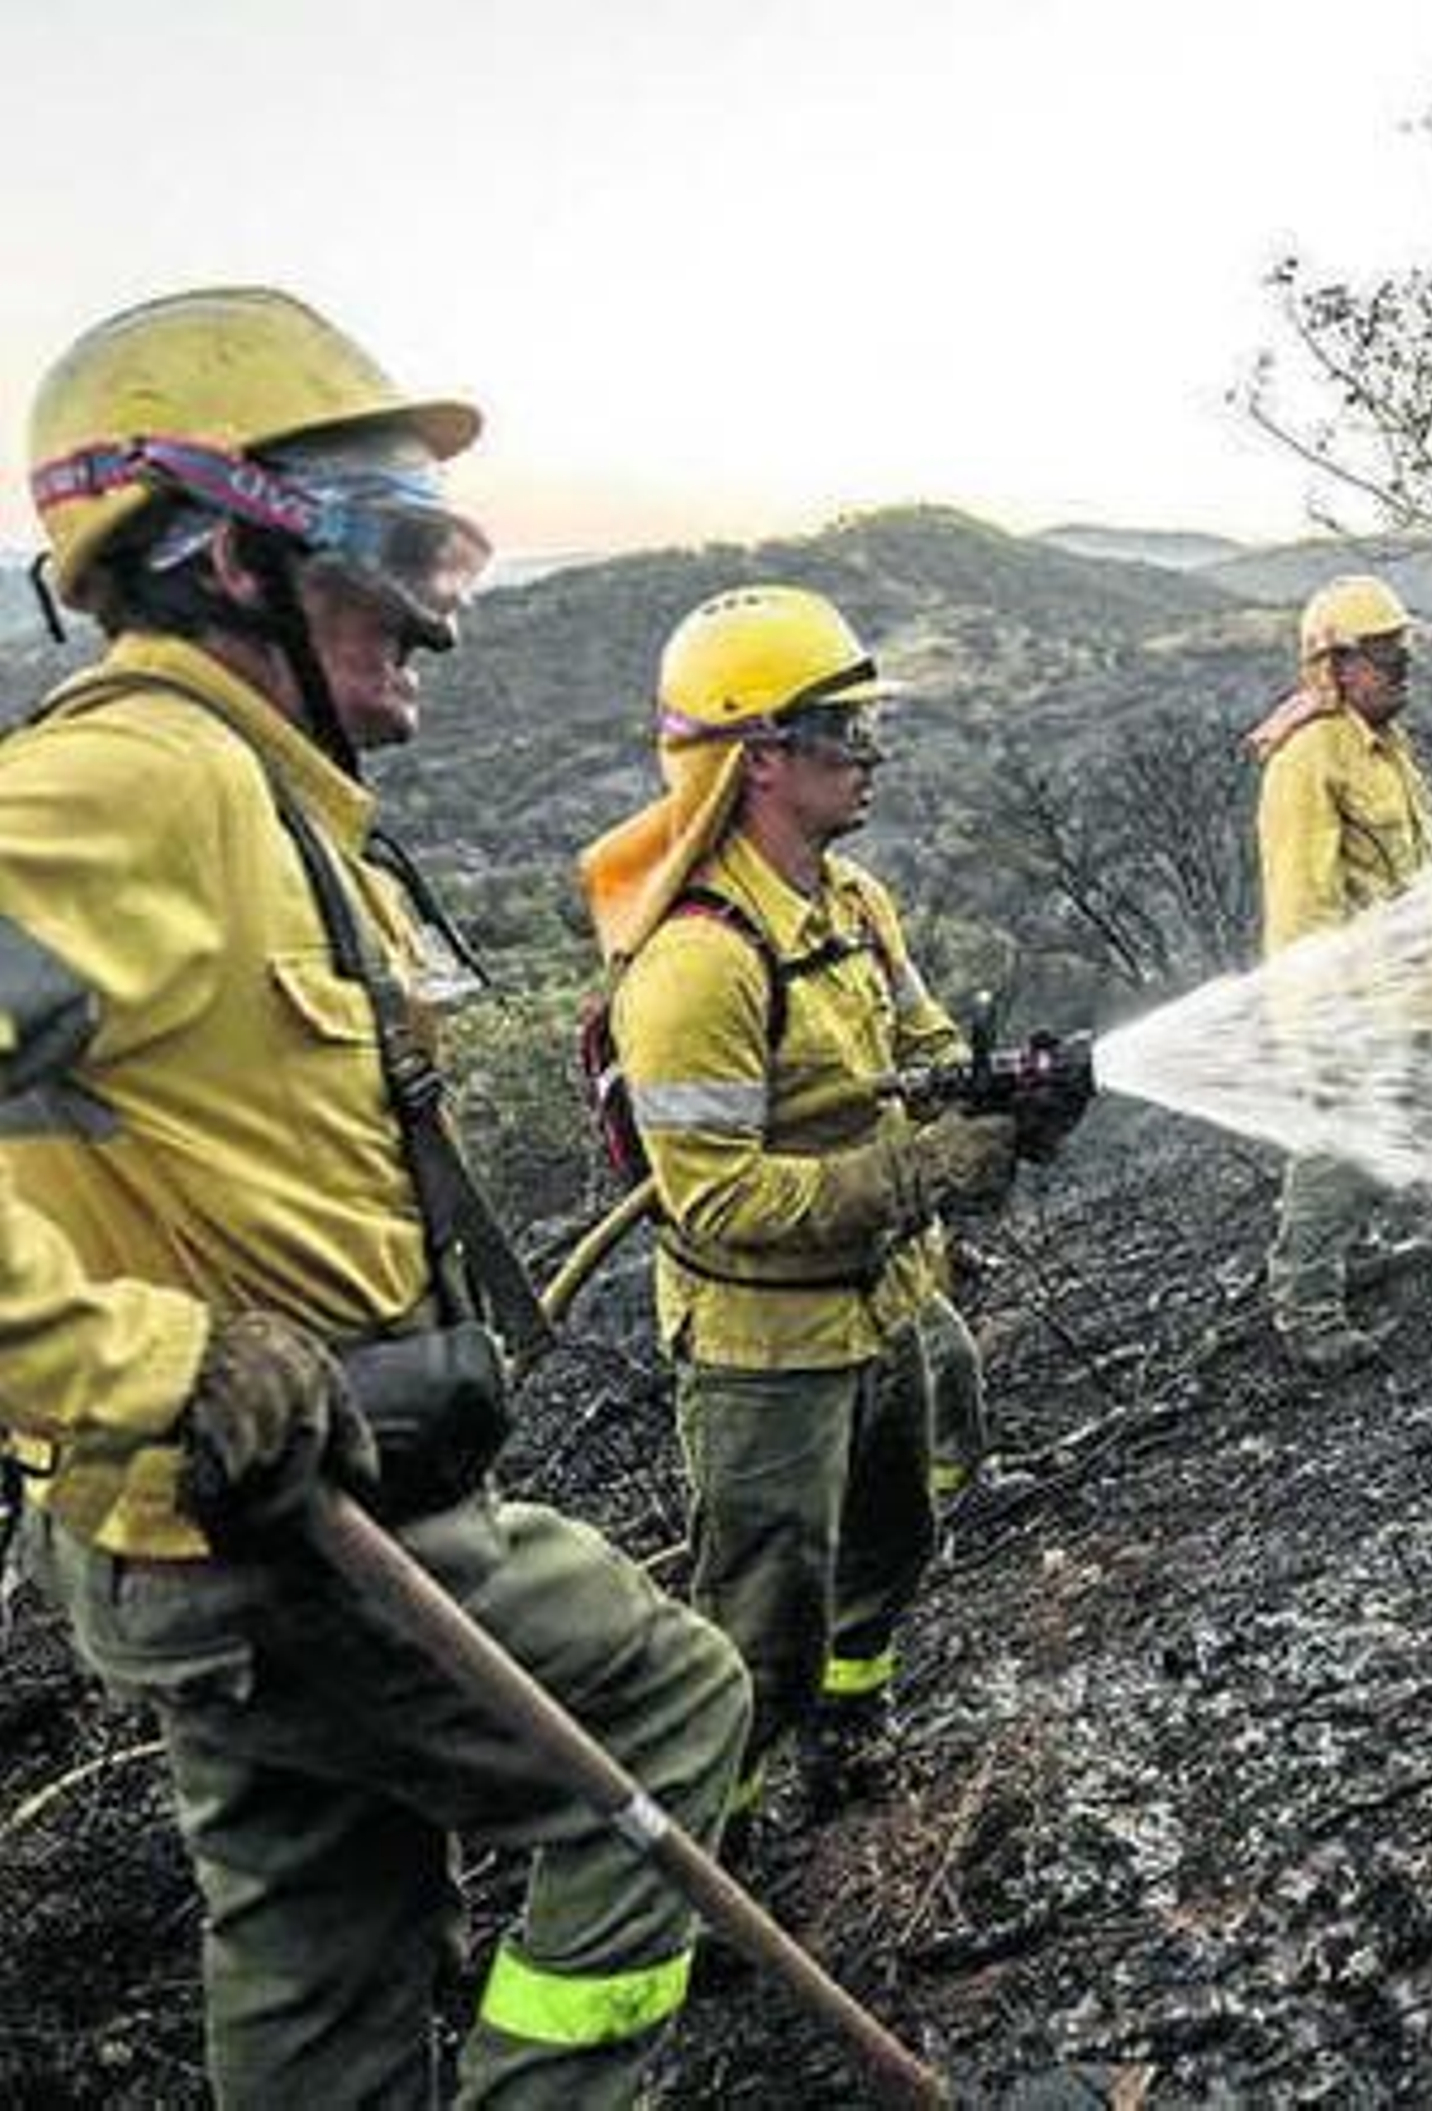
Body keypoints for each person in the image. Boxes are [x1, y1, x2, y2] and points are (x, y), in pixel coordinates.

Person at [0, 285, 749, 2109]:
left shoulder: (255, 799)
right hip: (273, 1528)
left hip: (238, 1534)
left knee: (321, 1939)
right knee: (671, 1702)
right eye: (404, 553)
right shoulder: (137, 781)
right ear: (225, 554)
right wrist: (154, 1362)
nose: (439, 611)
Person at [578, 584, 1030, 1828]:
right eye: (844, 730)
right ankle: (711, 1850)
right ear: (759, 756)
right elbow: (718, 1196)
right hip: (767, 1346)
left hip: (888, 1295)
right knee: (760, 1623)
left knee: (894, 1535)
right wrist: (926, 1171)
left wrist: (996, 1097)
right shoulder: (698, 963)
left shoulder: (855, 903)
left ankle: (848, 1724)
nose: (869, 754)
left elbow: (923, 1043)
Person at [1248, 573, 1432, 1375]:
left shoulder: (1384, 746)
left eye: (1404, 649)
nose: (1403, 666)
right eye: (1384, 653)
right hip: (1350, 1006)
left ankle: (1352, 1252)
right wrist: (1321, 1021)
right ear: (1333, 665)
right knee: (1334, 1150)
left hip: (1403, 995)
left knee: (1383, 1132)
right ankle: (1306, 1306)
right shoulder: (1306, 761)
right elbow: (1302, 905)